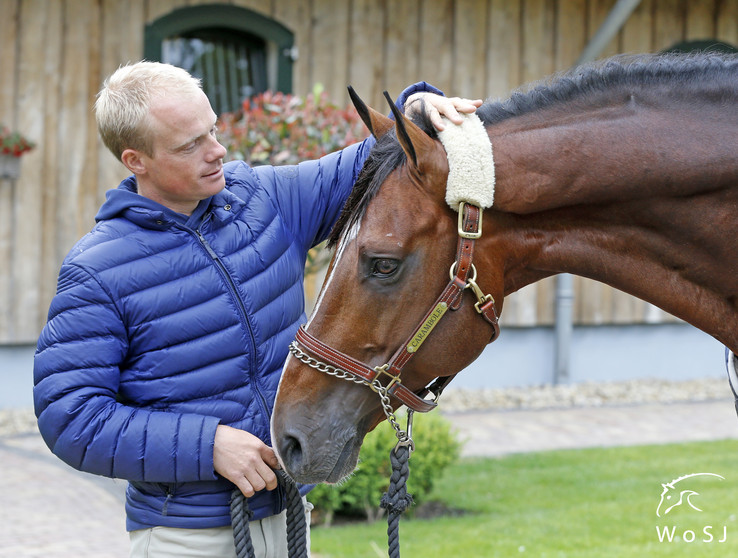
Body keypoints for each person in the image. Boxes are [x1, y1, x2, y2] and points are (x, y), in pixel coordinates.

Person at [33, 60, 481, 558]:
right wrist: (207, 446)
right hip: (186, 539)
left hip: (290, 522)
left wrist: (415, 109)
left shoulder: (264, 200)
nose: (216, 152)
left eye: (213, 131)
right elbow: (70, 418)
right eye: (190, 145)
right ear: (136, 160)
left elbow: (378, 159)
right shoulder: (98, 270)